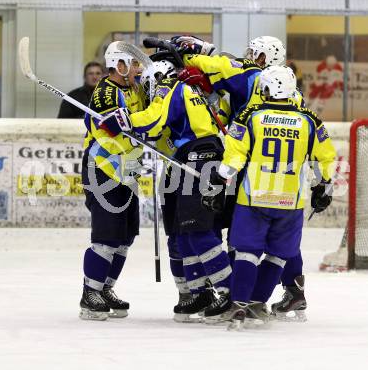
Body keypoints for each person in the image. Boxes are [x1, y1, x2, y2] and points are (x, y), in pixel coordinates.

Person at [172, 34, 311, 320]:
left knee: (244, 236)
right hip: (288, 179)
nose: (247, 55)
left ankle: (241, 298)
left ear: (262, 57)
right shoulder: (294, 96)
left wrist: (194, 53)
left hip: (250, 170)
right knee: (280, 238)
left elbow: (220, 67)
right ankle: (294, 287)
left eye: (252, 52)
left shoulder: (251, 76)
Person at [203, 66, 336, 326]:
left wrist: (219, 180)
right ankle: (256, 303)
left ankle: (239, 305)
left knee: (247, 253)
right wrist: (323, 187)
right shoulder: (310, 119)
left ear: (267, 89)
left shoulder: (250, 115)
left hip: (255, 197)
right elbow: (325, 158)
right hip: (290, 200)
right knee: (278, 255)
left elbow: (235, 156)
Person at [129, 58, 232, 322]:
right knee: (185, 231)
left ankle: (230, 293)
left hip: (199, 155)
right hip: (196, 156)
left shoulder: (170, 86)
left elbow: (153, 120)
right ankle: (199, 293)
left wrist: (126, 120)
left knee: (196, 229)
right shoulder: (190, 90)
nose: (149, 93)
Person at [79, 42, 144, 321]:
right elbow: (104, 128)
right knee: (106, 237)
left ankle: (105, 288)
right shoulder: (106, 92)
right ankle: (90, 293)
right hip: (103, 169)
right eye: (133, 63)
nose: (138, 68)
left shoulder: (134, 89)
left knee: (124, 237)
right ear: (119, 65)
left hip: (127, 171)